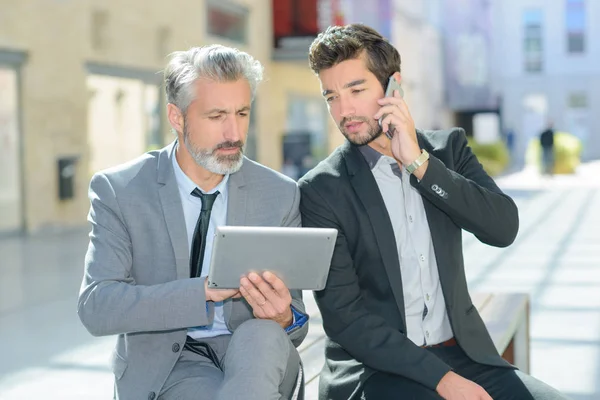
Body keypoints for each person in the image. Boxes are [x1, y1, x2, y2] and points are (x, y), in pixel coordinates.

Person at [298, 24, 568, 400]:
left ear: (394, 87)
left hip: (466, 354)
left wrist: (420, 165)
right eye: (331, 97)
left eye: (356, 90)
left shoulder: (448, 150)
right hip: (378, 370)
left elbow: (503, 228)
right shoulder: (320, 190)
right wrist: (443, 381)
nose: (344, 111)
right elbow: (345, 318)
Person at [78, 45, 308, 400]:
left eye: (242, 113)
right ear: (177, 117)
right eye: (217, 116)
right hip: (170, 364)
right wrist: (201, 292)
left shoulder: (279, 194)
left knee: (260, 336)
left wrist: (282, 317)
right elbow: (97, 307)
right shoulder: (120, 190)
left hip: (258, 356)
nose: (234, 132)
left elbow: (294, 326)